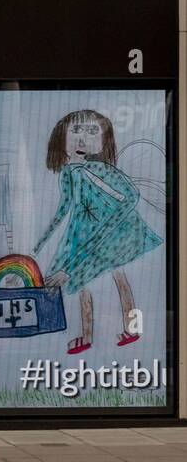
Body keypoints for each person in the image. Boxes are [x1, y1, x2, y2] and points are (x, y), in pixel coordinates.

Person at [37, 109, 161, 354]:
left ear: (104, 140)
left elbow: (131, 196)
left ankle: (132, 328)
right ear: (61, 137)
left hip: (118, 229)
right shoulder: (68, 173)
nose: (82, 139)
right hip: (86, 228)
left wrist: (108, 225)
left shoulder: (101, 170)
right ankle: (87, 334)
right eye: (76, 131)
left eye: (93, 131)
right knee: (83, 283)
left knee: (118, 276)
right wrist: (39, 244)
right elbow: (64, 208)